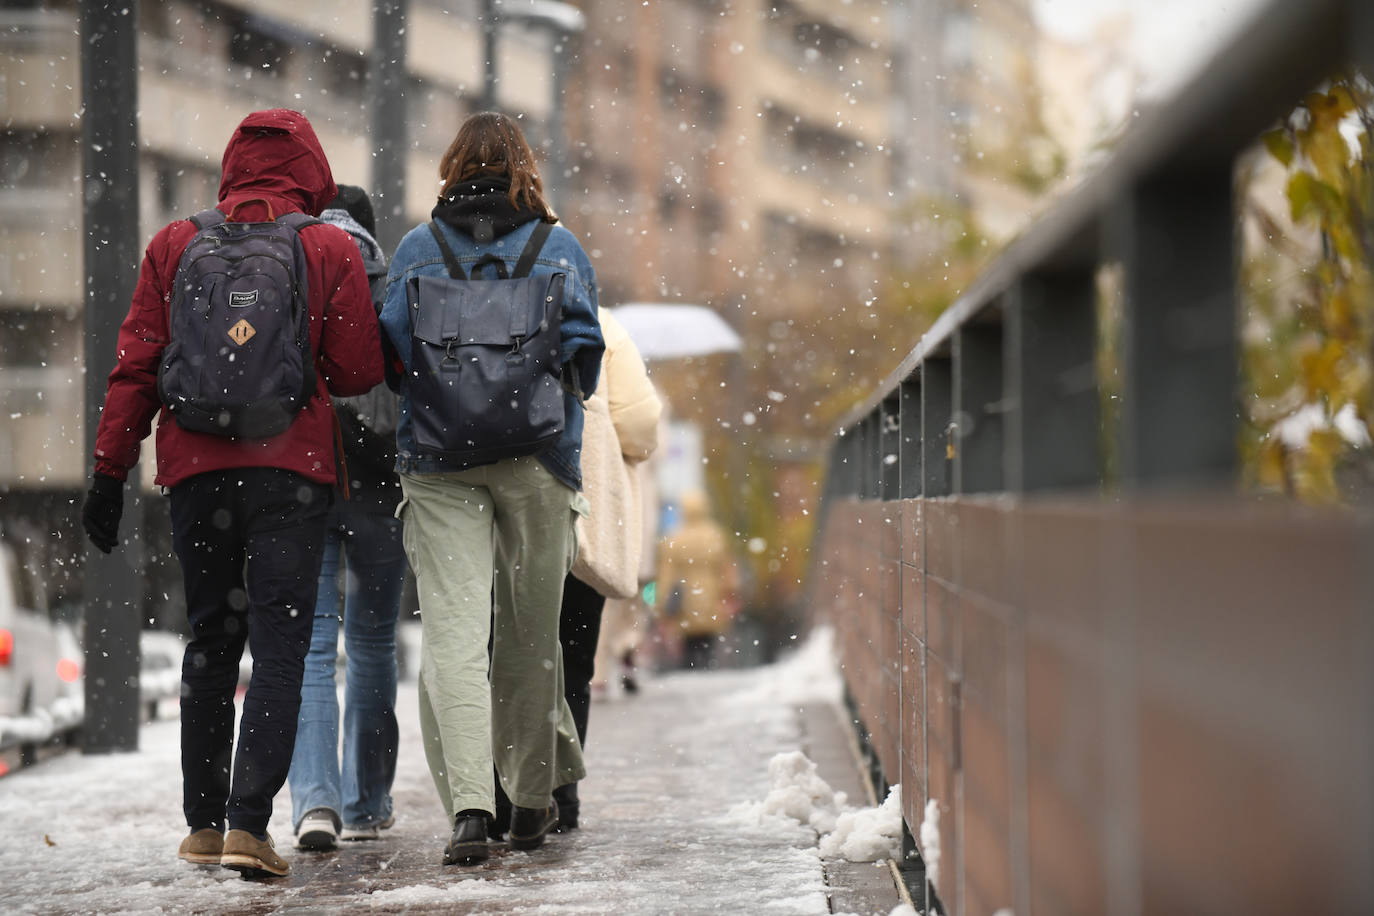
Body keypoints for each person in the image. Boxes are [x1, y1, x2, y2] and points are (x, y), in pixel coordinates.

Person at [81, 109, 384, 878]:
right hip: (291, 471)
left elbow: (136, 367)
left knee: (212, 638)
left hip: (196, 471)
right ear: (312, 170)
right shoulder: (326, 246)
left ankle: (202, 823)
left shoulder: (175, 243)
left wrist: (109, 473)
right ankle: (251, 825)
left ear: (231, 166)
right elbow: (356, 374)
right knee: (282, 644)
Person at [377, 111, 603, 866]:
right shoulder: (557, 245)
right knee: (533, 638)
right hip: (538, 459)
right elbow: (585, 353)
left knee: (453, 639)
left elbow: (391, 353)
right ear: (524, 169)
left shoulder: (417, 248)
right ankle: (532, 804)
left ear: (451, 169)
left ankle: (471, 810)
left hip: (439, 461)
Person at [287, 185, 406, 851]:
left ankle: (315, 804)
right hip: (378, 489)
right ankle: (367, 801)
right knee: (371, 645)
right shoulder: (393, 280)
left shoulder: (287, 267)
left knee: (310, 650)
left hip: (303, 483)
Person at [544, 308, 660, 831]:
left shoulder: (477, 296)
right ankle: (561, 791)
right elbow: (640, 428)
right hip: (580, 502)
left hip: (496, 495)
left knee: (505, 649)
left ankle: (502, 790)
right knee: (573, 651)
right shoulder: (601, 323)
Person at [657, 490, 736, 670]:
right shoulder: (716, 536)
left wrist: (662, 604)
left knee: (688, 641)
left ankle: (690, 667)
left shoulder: (675, 538)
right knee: (708, 639)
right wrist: (729, 592)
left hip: (686, 596)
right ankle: (706, 666)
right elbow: (727, 567)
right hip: (711, 593)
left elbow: (667, 576)